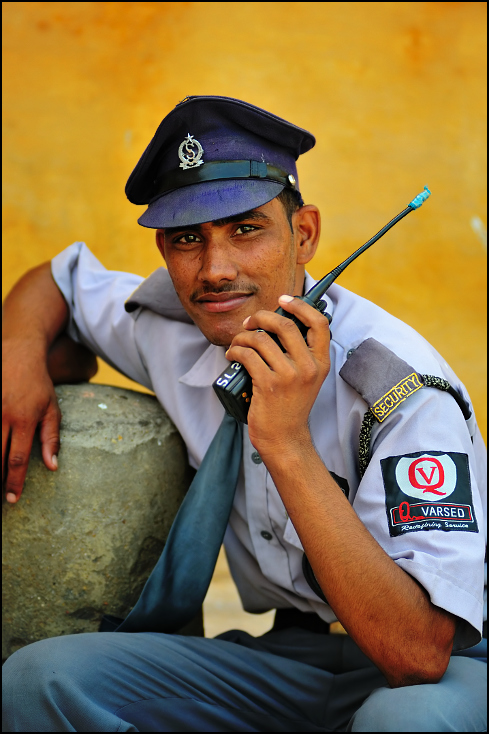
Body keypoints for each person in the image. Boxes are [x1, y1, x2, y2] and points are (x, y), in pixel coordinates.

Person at [2, 95, 486, 732]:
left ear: (305, 234)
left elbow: (418, 652)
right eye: (185, 240)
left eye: (246, 229)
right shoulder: (174, 324)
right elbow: (57, 280)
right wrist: (15, 352)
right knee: (37, 683)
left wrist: (286, 442)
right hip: (285, 657)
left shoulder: (398, 388)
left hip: (439, 667)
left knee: (410, 723)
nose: (215, 270)